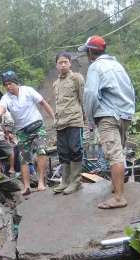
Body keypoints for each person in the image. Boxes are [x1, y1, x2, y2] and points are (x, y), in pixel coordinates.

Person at [79, 35, 135, 209]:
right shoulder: (117, 65)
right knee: (119, 152)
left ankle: (119, 198)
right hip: (125, 114)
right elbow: (131, 90)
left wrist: (89, 119)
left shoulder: (96, 67)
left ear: (90, 52)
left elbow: (90, 95)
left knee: (114, 155)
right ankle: (116, 187)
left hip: (107, 115)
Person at [0, 71, 55, 195]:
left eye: (10, 83)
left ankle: (41, 182)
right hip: (22, 131)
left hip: (37, 125)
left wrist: (53, 117)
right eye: (5, 85)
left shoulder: (28, 90)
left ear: (16, 83)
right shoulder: (5, 98)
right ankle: (26, 187)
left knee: (41, 152)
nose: (8, 86)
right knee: (24, 159)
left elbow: (43, 103)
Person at [52, 51, 86, 195]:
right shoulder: (55, 84)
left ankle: (76, 182)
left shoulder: (76, 78)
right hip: (60, 123)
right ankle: (65, 181)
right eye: (60, 62)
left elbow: (82, 98)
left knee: (75, 149)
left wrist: (86, 119)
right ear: (56, 65)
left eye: (66, 61)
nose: (63, 64)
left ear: (70, 63)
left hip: (74, 120)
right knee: (63, 152)